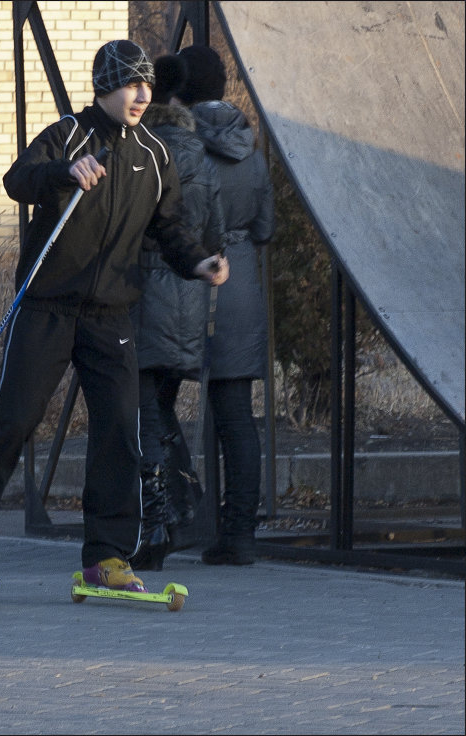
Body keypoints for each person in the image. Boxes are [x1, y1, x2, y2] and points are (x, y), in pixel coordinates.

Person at [0, 40, 228, 593]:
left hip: (111, 314)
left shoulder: (155, 154)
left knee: (120, 430)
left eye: (147, 85)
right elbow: (16, 180)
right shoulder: (67, 135)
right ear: (105, 87)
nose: (142, 95)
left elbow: (168, 229)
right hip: (47, 305)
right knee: (16, 420)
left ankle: (106, 559)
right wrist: (63, 172)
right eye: (129, 84)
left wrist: (199, 261)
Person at [175, 44, 276, 566]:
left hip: (182, 281)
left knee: (152, 401)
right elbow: (265, 229)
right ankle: (239, 534)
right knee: (237, 417)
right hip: (239, 289)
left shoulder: (174, 145)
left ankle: (173, 516)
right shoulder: (252, 150)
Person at [128, 54, 226, 571]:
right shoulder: (203, 156)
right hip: (190, 300)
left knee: (144, 411)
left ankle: (158, 522)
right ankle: (186, 511)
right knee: (162, 409)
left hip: (145, 297)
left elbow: (131, 227)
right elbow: (215, 233)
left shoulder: (147, 150)